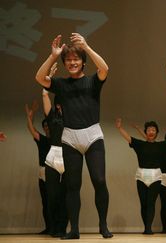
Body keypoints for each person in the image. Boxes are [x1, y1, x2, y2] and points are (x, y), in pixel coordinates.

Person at [35, 33, 112, 239]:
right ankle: (75, 229)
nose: (72, 62)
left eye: (76, 59)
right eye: (68, 60)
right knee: (72, 185)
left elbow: (104, 68)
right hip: (70, 137)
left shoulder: (93, 81)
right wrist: (53, 56)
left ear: (83, 62)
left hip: (93, 135)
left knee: (99, 179)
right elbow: (40, 78)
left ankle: (103, 225)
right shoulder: (60, 84)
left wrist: (86, 47)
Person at [116, 118, 166, 234]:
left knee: (151, 203)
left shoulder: (161, 145)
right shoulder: (140, 144)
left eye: (153, 130)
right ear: (146, 132)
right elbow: (128, 138)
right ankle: (146, 226)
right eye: (149, 130)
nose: (151, 132)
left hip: (156, 176)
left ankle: (148, 229)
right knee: (144, 203)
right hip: (141, 176)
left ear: (156, 133)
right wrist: (119, 128)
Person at [42, 62, 68, 238]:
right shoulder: (52, 117)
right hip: (53, 155)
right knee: (52, 196)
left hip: (69, 156)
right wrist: (50, 76)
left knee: (67, 196)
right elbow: (45, 93)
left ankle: (62, 228)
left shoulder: (75, 118)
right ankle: (53, 227)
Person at [25, 100, 51, 235]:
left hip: (57, 173)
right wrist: (31, 114)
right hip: (43, 173)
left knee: (56, 202)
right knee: (45, 202)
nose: (47, 127)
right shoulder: (42, 140)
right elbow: (31, 128)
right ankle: (49, 227)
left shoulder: (59, 140)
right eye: (45, 126)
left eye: (48, 125)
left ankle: (58, 227)